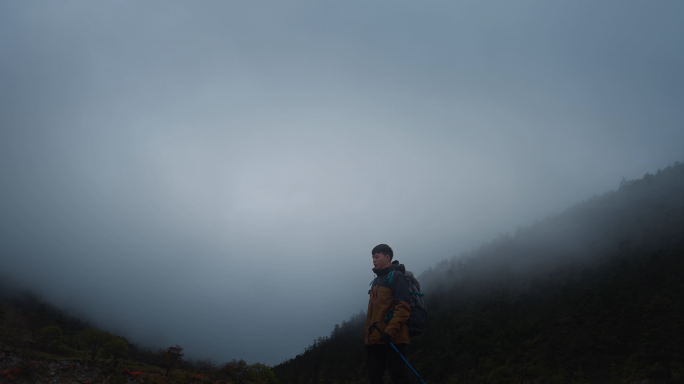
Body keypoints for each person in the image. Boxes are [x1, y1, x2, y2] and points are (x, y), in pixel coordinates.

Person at [365, 244, 412, 384]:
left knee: (398, 378)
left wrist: (389, 332)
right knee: (374, 378)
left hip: (393, 338)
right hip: (374, 340)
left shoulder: (396, 276)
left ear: (387, 258)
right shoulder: (375, 282)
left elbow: (403, 307)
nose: (374, 260)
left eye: (377, 256)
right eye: (372, 257)